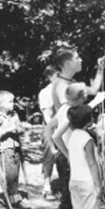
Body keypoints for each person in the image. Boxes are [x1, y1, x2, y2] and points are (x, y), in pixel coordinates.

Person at [45, 82, 105, 209]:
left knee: (74, 192)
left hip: (74, 154)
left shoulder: (67, 110)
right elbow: (56, 134)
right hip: (72, 157)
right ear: (82, 97)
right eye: (85, 93)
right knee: (69, 193)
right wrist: (66, 153)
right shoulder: (68, 113)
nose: (88, 94)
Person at [66, 104, 105, 209]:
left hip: (74, 180)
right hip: (87, 180)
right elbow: (92, 164)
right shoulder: (87, 139)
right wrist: (97, 184)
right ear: (89, 120)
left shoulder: (73, 135)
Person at [0, 91, 30, 209]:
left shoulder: (14, 115)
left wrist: (19, 129)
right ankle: (14, 198)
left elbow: (20, 127)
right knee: (10, 173)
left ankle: (13, 195)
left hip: (15, 146)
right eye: (10, 102)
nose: (13, 104)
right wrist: (6, 130)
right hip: (4, 149)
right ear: (0, 104)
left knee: (15, 172)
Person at [38, 64, 58, 200]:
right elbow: (47, 114)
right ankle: (47, 187)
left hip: (67, 127)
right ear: (50, 77)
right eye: (57, 75)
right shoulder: (46, 92)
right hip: (51, 127)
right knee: (49, 156)